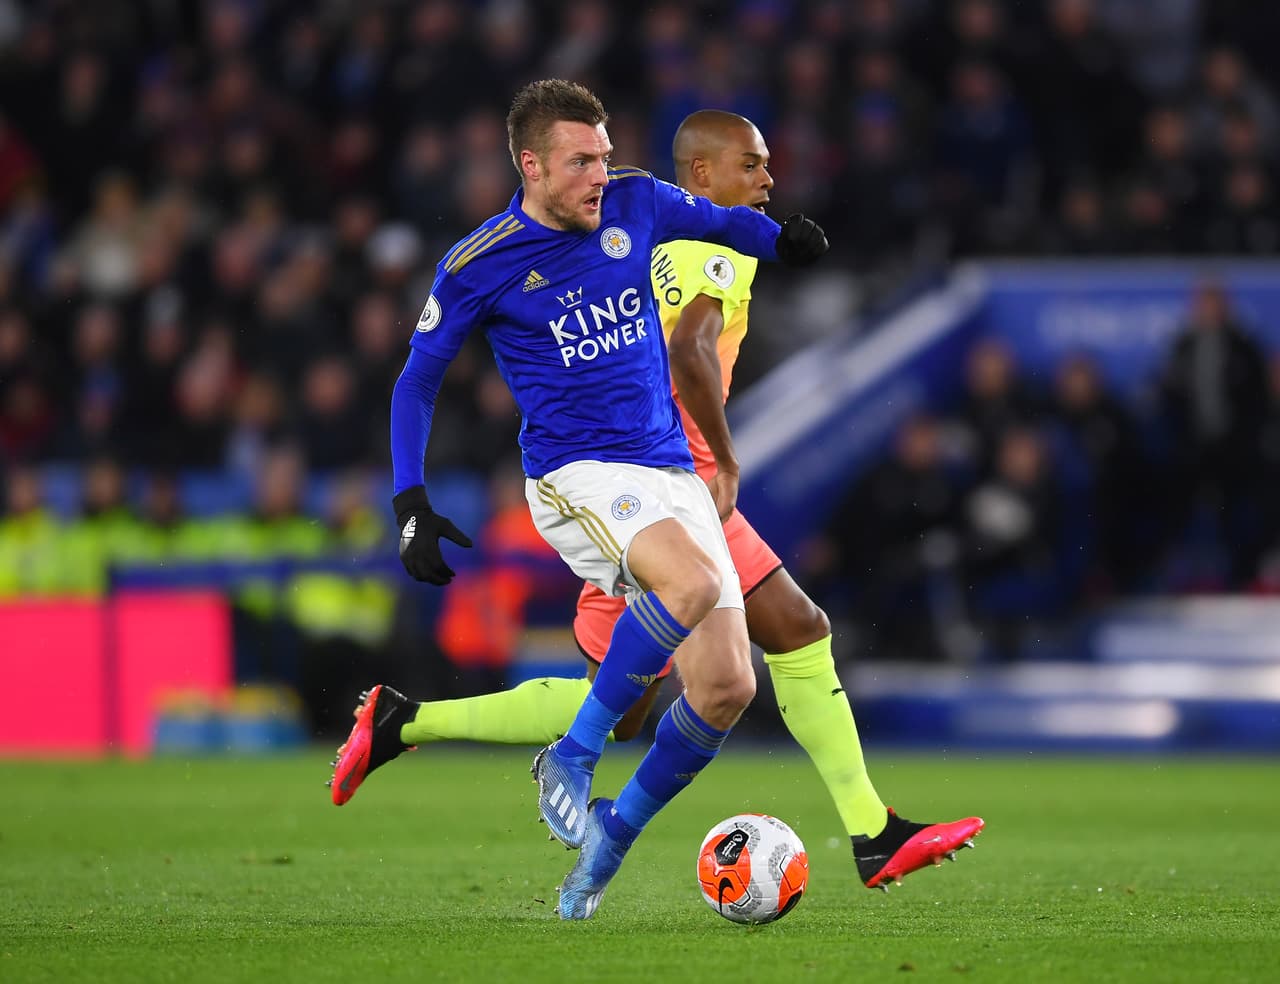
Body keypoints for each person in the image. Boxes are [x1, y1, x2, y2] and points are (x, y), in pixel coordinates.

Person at [329, 100, 983, 907]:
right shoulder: (483, 262)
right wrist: (409, 500)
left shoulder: (639, 203)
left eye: (604, 157)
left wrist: (783, 241)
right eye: (581, 162)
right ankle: (577, 757)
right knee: (727, 615)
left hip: (669, 473)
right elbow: (421, 379)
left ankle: (537, 794)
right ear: (530, 166)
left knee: (718, 688)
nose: (599, 175)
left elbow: (728, 225)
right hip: (585, 474)